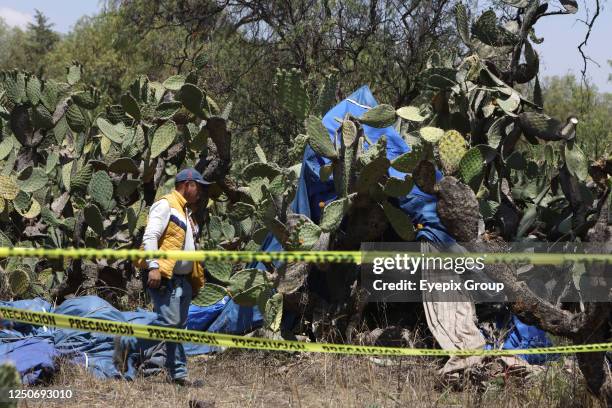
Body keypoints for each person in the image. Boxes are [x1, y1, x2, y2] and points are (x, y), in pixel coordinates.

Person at [125, 168, 209, 386]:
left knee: (178, 327)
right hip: (164, 278)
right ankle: (140, 360)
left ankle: (178, 375)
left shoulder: (185, 213)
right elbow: (151, 235)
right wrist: (153, 266)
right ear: (188, 184)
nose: (200, 192)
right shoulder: (166, 205)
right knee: (169, 324)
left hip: (182, 281)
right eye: (198, 186)